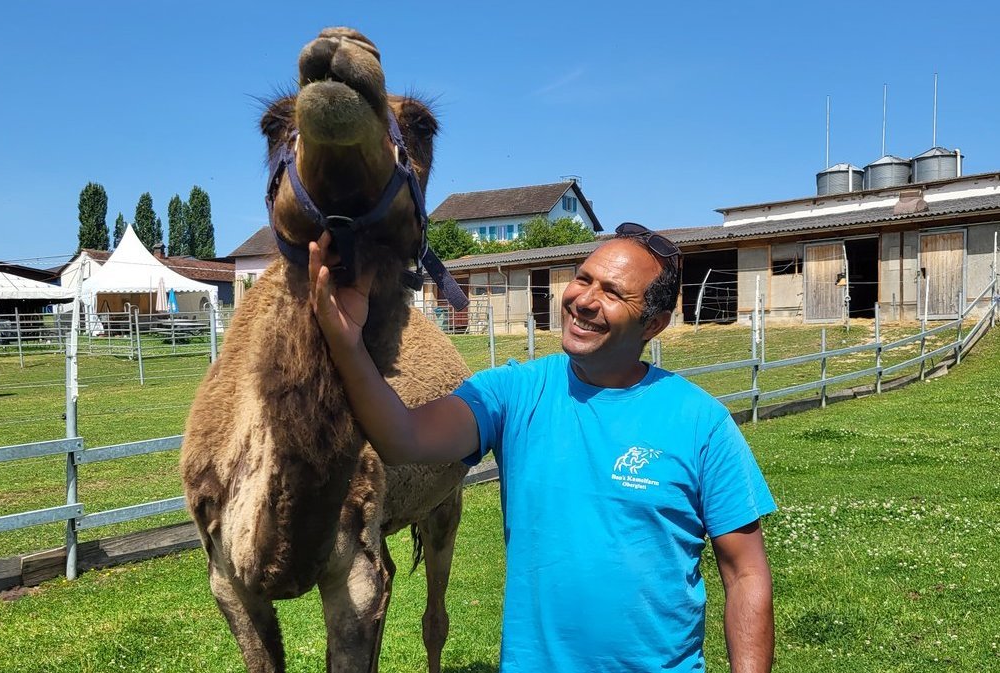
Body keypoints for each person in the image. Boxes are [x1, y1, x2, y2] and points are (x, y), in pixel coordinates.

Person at [309, 222, 776, 673]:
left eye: (613, 293)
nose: (584, 301)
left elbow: (746, 575)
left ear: (653, 324)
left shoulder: (700, 422)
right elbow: (401, 437)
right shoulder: (514, 393)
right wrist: (348, 345)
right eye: (582, 279)